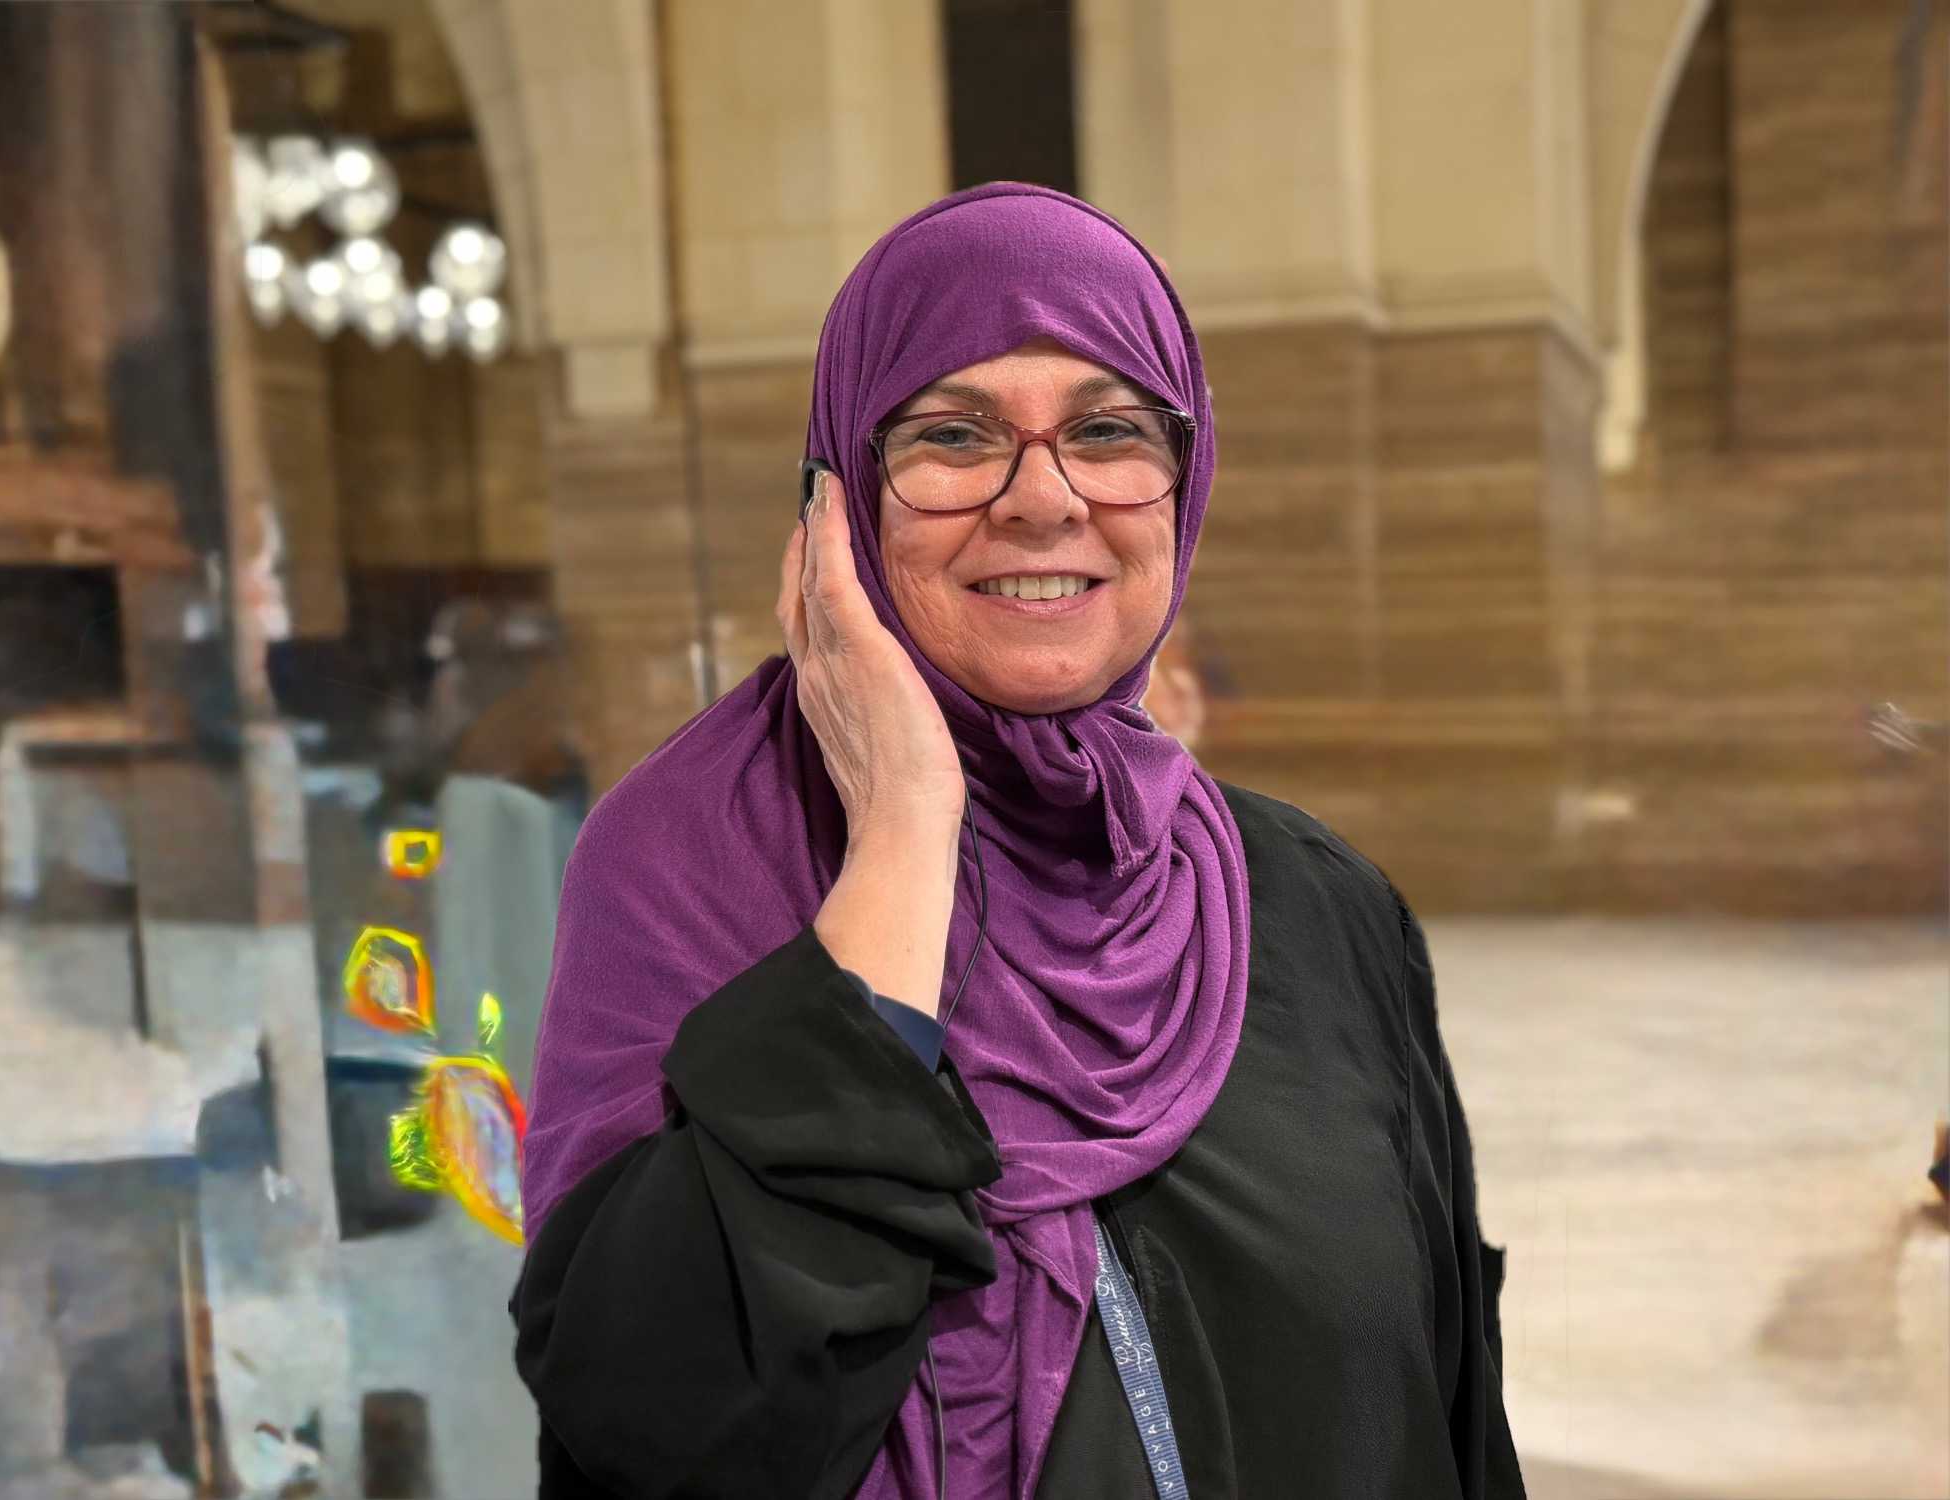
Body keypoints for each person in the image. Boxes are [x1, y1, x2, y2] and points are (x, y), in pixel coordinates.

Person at [509, 183, 1524, 1500]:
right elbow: (668, 1425)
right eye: (953, 435)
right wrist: (903, 827)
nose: (1044, 501)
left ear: (1185, 481)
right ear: (838, 499)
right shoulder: (684, 864)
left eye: (1108, 430)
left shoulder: (1314, 903)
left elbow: (1448, 1402)